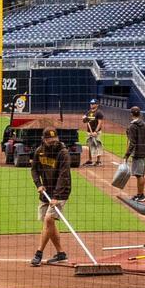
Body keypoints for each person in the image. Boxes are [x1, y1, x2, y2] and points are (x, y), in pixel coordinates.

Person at [29, 132, 74, 266]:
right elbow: (34, 170)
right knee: (49, 223)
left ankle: (38, 253)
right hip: (46, 191)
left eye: (55, 140)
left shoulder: (63, 153)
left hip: (61, 191)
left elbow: (64, 176)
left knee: (48, 220)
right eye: (50, 140)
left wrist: (56, 196)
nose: (53, 142)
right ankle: (61, 253)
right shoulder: (39, 151)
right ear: (44, 140)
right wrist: (38, 184)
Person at [123, 111, 145, 202]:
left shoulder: (132, 126)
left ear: (131, 114)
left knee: (139, 175)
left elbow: (132, 143)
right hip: (144, 151)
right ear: (139, 114)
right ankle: (140, 194)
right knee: (141, 174)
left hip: (137, 153)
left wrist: (127, 155)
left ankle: (140, 195)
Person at [82, 102, 105, 166]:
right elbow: (84, 121)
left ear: (97, 105)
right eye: (91, 103)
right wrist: (84, 119)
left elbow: (100, 123)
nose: (91, 104)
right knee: (90, 145)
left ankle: (98, 161)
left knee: (98, 145)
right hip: (89, 132)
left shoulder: (99, 112)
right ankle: (90, 160)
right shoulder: (88, 112)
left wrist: (96, 131)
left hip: (96, 132)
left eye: (93, 103)